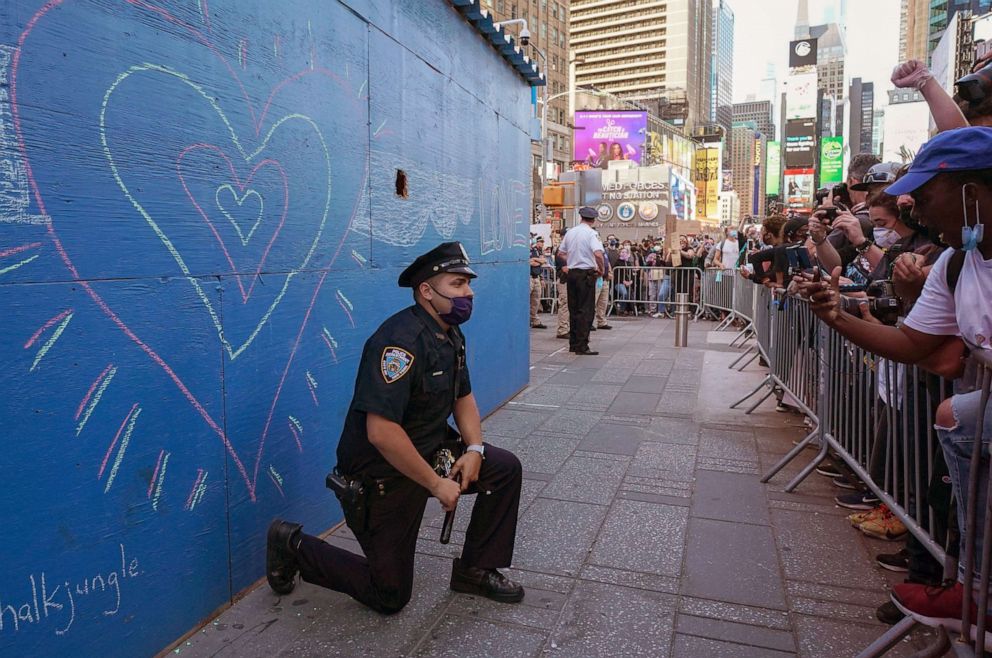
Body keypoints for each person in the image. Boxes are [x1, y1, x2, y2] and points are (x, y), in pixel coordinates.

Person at [799, 127, 992, 636]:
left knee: (959, 416)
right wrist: (835, 315)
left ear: (972, 191)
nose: (915, 210)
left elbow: (945, 362)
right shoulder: (954, 262)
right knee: (957, 417)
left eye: (926, 196)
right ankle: (976, 592)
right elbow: (916, 345)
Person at [266, 242, 525, 614]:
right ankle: (292, 545)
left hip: (428, 452)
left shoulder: (449, 333)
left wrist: (474, 450)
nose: (468, 292)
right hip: (383, 473)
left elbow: (462, 397)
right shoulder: (399, 344)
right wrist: (436, 485)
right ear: (426, 292)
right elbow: (382, 433)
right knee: (388, 594)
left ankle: (475, 569)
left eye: (468, 284)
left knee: (503, 470)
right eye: (457, 284)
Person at [558, 207, 606, 355]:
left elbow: (560, 253)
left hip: (572, 274)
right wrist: (601, 269)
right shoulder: (592, 233)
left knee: (574, 309)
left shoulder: (571, 232)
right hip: (586, 274)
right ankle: (582, 346)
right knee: (586, 310)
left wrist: (572, 260)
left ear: (581, 217)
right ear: (594, 219)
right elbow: (598, 254)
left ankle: (573, 344)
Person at [529, 237, 547, 329]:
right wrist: (538, 261)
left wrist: (536, 260)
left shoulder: (537, 251)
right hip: (529, 277)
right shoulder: (527, 250)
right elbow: (530, 262)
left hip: (537, 277)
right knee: (526, 300)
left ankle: (534, 320)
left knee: (535, 301)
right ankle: (527, 320)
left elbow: (544, 261)